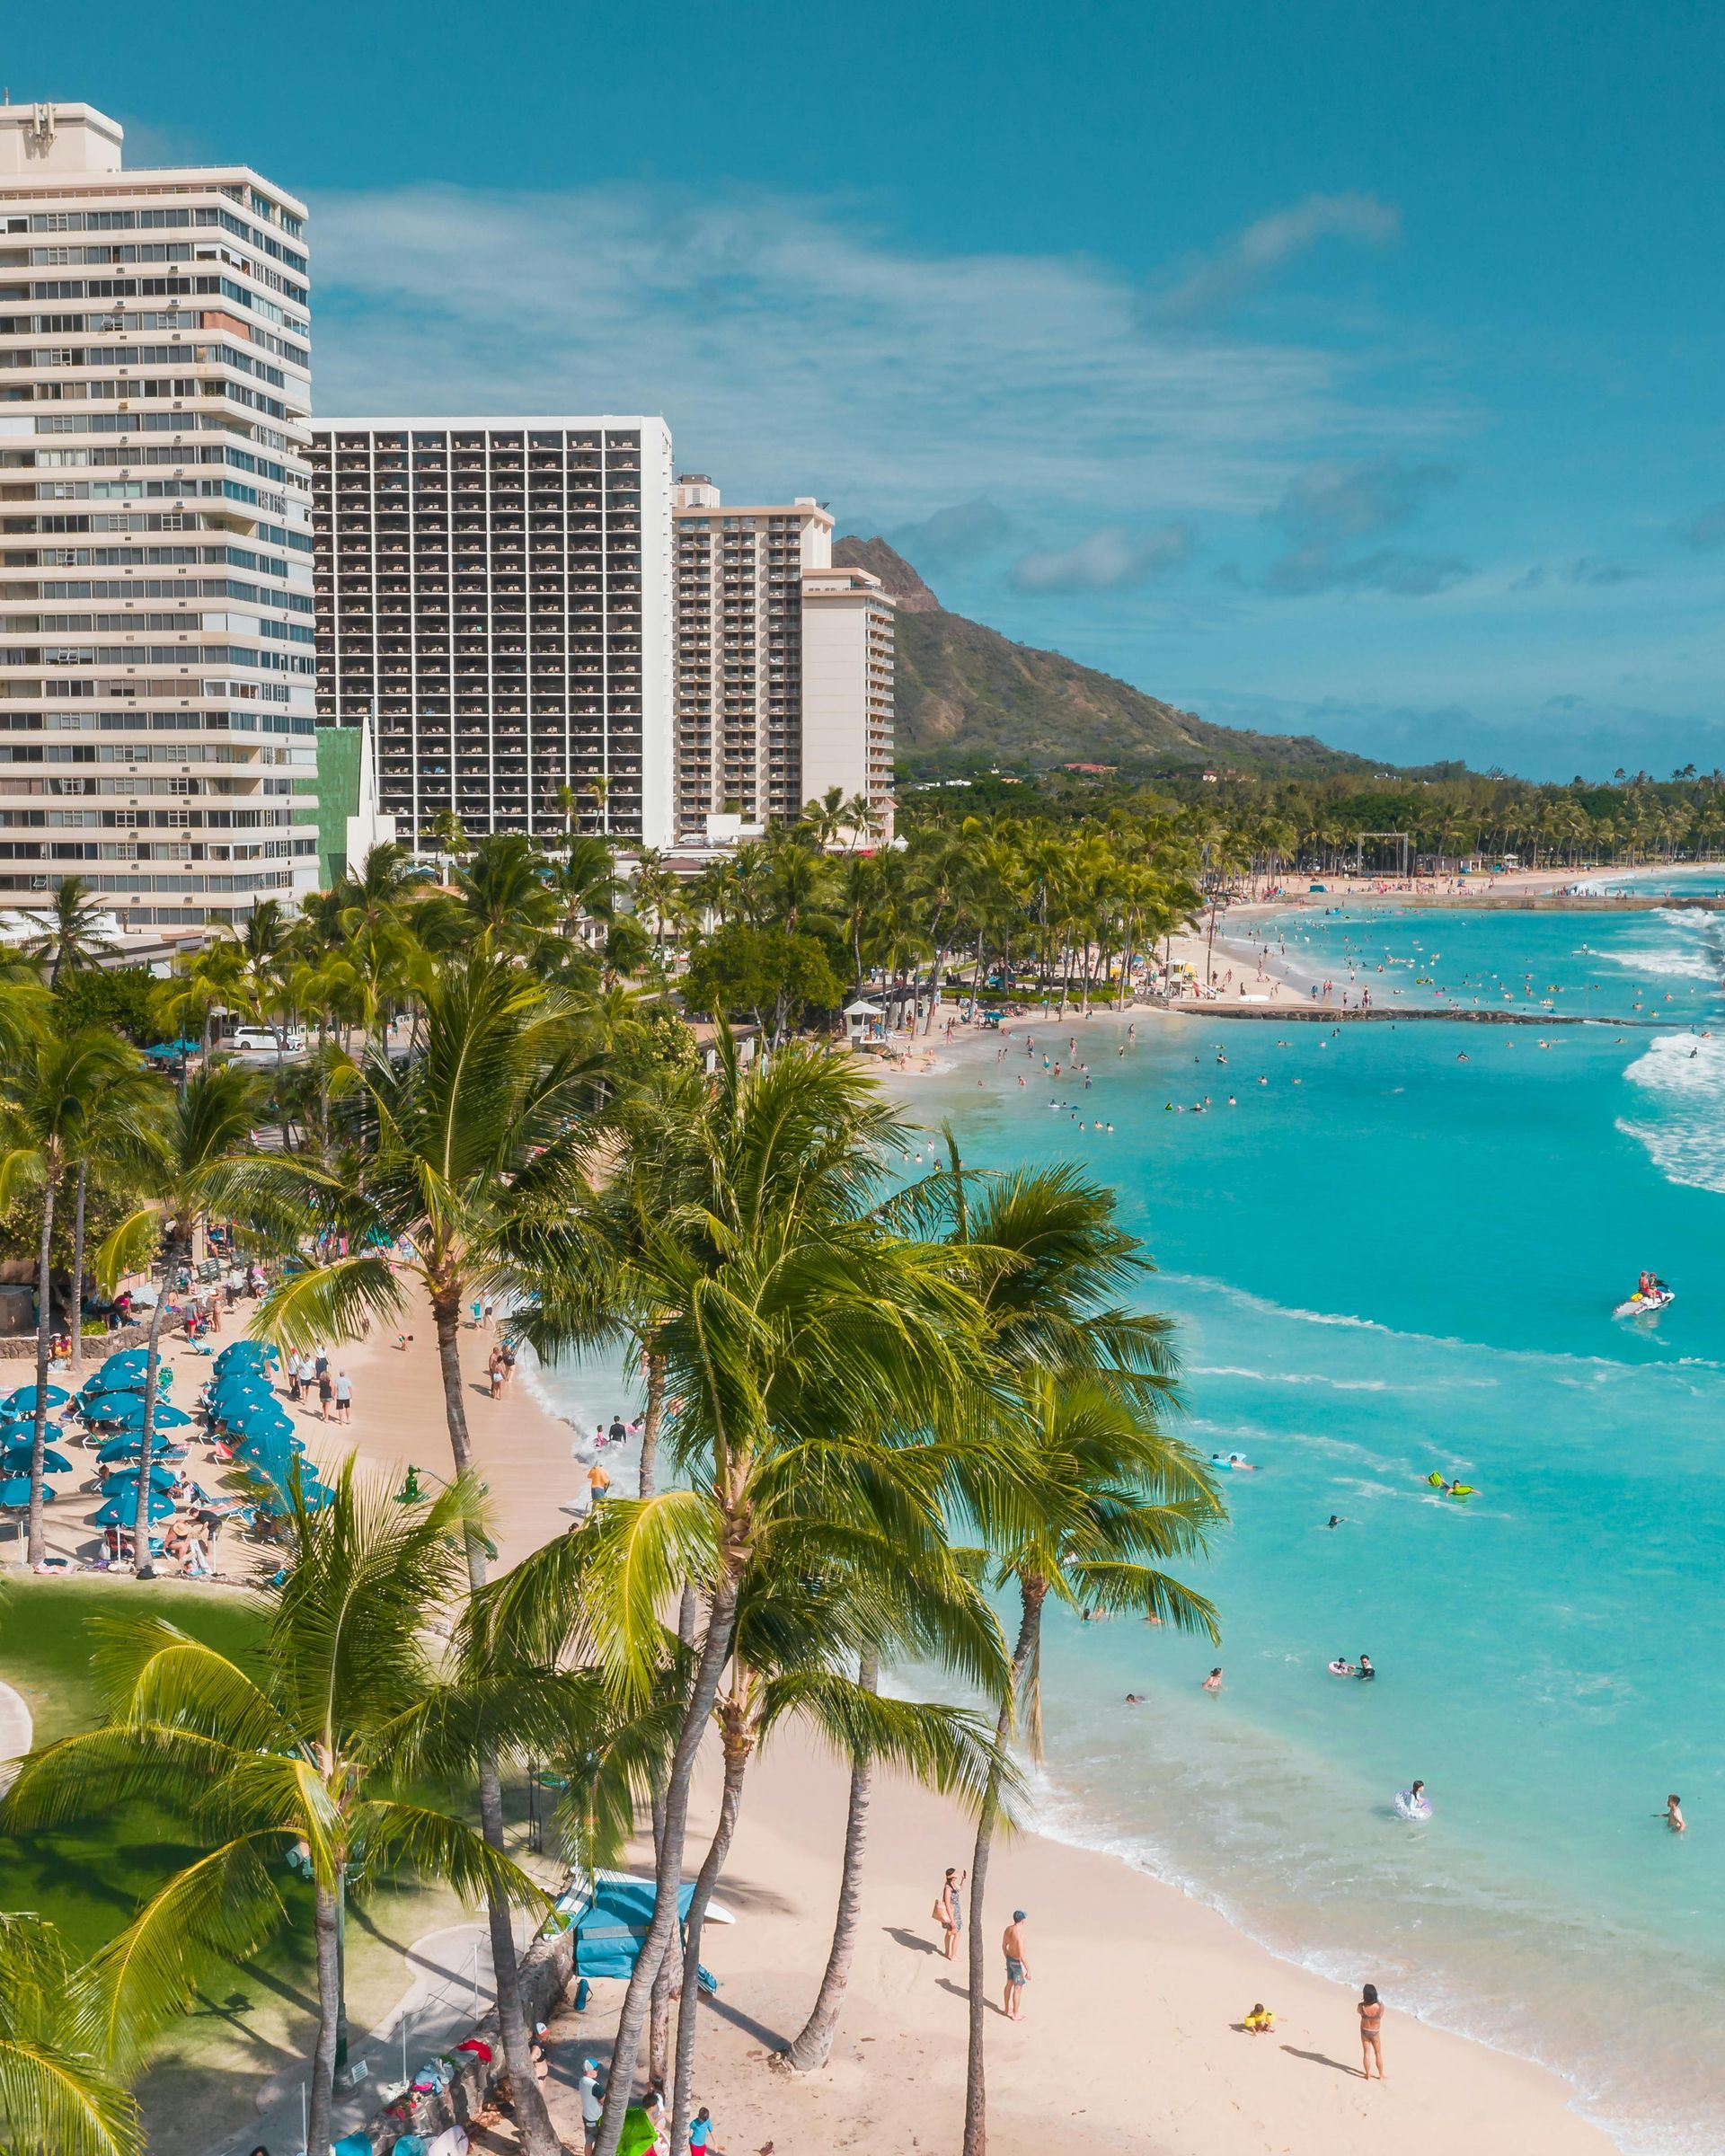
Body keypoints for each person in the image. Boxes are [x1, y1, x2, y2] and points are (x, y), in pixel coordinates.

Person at [1002, 1910, 1030, 2019]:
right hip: (1017, 1963)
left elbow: (1004, 1946)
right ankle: (1016, 2014)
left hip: (1009, 1959)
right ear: (1022, 1920)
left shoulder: (1008, 1929)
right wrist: (1028, 1970)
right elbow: (1022, 1955)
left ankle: (1006, 2008)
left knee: (1009, 1983)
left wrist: (1007, 1958)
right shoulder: (1019, 1935)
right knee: (1018, 1988)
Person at [933, 1866, 965, 1960]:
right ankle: (953, 1955)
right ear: (951, 1876)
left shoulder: (953, 1884)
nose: (957, 1874)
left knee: (949, 1933)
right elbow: (947, 1904)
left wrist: (963, 1880)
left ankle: (947, 1953)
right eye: (955, 1874)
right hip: (951, 1913)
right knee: (957, 1934)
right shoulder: (948, 1888)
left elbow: (960, 1889)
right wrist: (952, 1920)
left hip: (955, 1911)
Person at [1358, 1982, 1385, 2079]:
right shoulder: (1380, 2007)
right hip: (1375, 2032)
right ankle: (1381, 2075)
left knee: (1366, 2053)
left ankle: (1368, 2074)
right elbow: (1380, 2017)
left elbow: (1359, 2012)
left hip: (1364, 2031)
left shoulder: (1361, 2006)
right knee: (1378, 2053)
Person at [578, 2060, 604, 2153]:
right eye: (596, 2070)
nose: (597, 2071)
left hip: (586, 2116)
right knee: (600, 2142)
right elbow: (604, 2102)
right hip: (596, 2118)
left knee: (588, 2141)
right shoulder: (595, 2086)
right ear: (589, 2071)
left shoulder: (582, 2080)